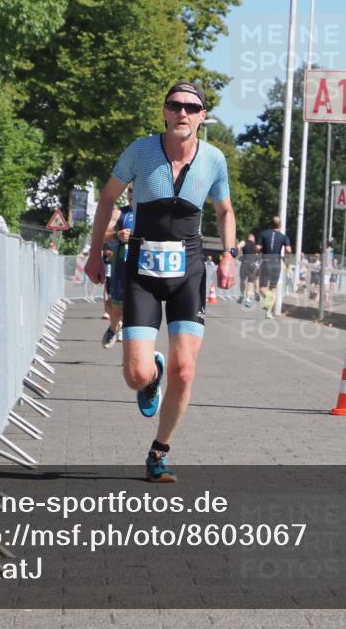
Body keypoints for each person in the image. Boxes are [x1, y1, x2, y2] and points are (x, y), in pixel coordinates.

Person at [85, 81, 236, 483]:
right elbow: (106, 199)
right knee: (135, 376)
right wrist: (94, 253)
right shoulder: (140, 151)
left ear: (203, 115)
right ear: (165, 112)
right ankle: (150, 373)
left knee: (185, 370)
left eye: (191, 106)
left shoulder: (214, 160)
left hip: (188, 272)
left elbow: (224, 210)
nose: (182, 112)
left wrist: (229, 254)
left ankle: (159, 453)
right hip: (142, 272)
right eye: (175, 105)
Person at [96, 186, 135, 348]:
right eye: (130, 193)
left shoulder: (152, 214)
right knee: (118, 306)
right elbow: (101, 234)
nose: (132, 196)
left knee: (137, 307)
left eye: (136, 192)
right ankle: (113, 327)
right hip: (121, 263)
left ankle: (132, 344)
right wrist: (116, 236)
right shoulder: (120, 213)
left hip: (144, 266)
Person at [257, 216, 292, 319]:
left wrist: (261, 251)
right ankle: (269, 312)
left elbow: (257, 247)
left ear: (270, 224)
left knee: (262, 288)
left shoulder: (263, 234)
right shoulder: (283, 237)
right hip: (276, 263)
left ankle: (266, 296)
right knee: (273, 288)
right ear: (280, 225)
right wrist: (286, 258)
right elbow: (289, 250)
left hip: (265, 262)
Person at [237, 231, 259, 307]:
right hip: (252, 265)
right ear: (252, 237)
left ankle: (242, 295)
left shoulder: (244, 242)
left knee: (242, 280)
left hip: (244, 263)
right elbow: (257, 255)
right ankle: (248, 299)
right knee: (250, 282)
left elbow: (238, 246)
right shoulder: (256, 246)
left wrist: (239, 255)